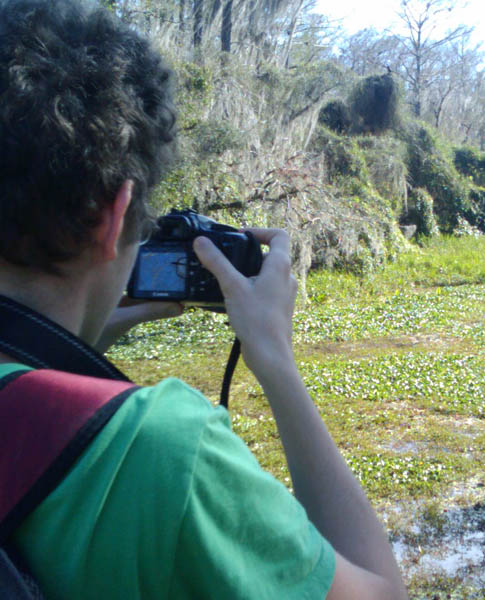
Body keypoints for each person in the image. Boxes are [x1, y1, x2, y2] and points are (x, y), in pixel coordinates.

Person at [0, 0, 407, 598]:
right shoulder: (161, 451)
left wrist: (77, 340)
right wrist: (274, 357)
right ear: (114, 216)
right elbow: (381, 595)